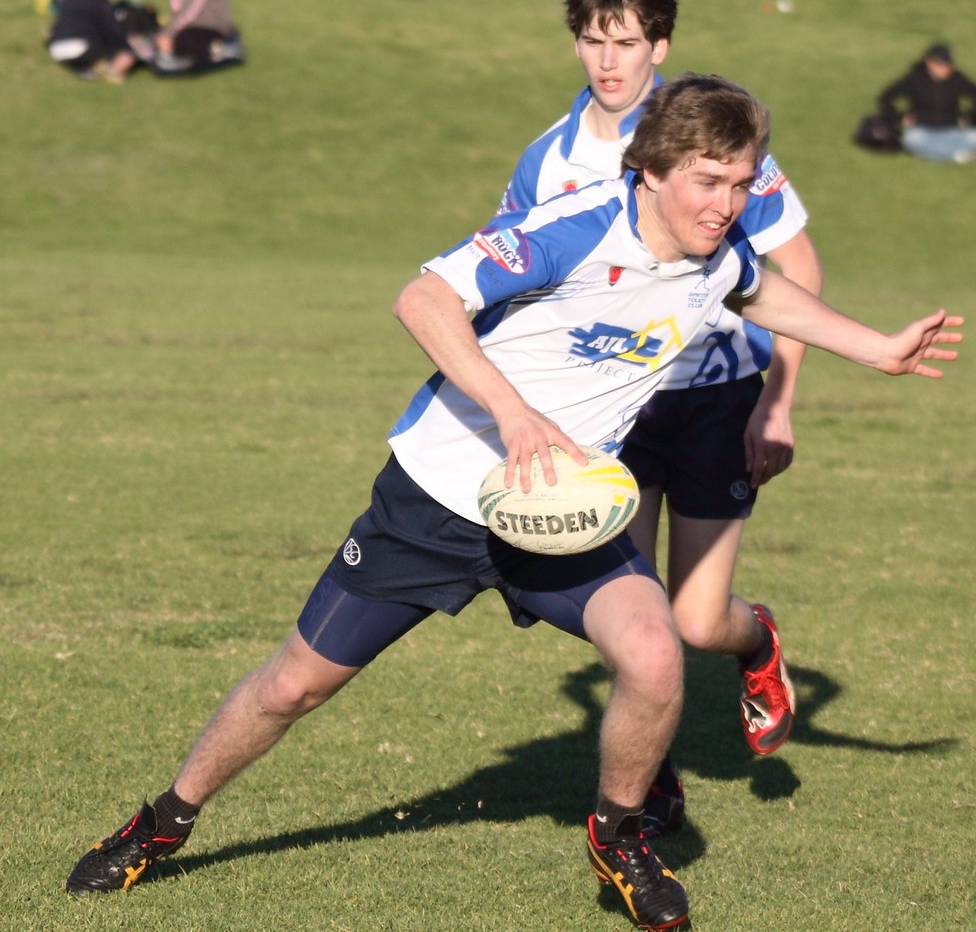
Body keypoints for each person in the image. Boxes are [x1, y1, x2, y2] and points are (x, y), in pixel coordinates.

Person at [64, 73, 961, 932]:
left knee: (655, 655)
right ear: (650, 171)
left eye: (737, 183)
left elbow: (766, 293)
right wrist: (513, 413)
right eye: (705, 181)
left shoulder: (713, 255)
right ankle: (164, 821)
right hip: (436, 501)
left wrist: (877, 348)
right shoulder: (571, 230)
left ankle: (619, 837)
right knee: (293, 687)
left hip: (564, 515)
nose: (726, 204)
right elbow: (422, 299)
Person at [498, 0, 823, 835]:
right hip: (618, 414)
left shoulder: (708, 133)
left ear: (661, 43)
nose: (610, 61)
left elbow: (796, 263)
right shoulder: (549, 160)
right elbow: (510, 284)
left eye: (628, 42)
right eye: (594, 41)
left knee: (699, 617)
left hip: (721, 397)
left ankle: (758, 645)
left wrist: (778, 400)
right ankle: (655, 787)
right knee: (636, 615)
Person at [46, 0, 139, 83]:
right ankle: (111, 72)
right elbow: (112, 28)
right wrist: (128, 46)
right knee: (126, 55)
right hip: (80, 49)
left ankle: (86, 69)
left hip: (56, 50)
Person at [878, 44, 976, 163]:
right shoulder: (914, 79)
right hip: (922, 131)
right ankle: (957, 155)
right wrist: (900, 118)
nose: (946, 68)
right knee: (910, 140)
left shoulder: (957, 79)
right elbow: (885, 97)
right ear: (929, 63)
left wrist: (968, 117)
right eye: (941, 65)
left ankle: (936, 152)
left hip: (952, 130)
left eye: (949, 64)